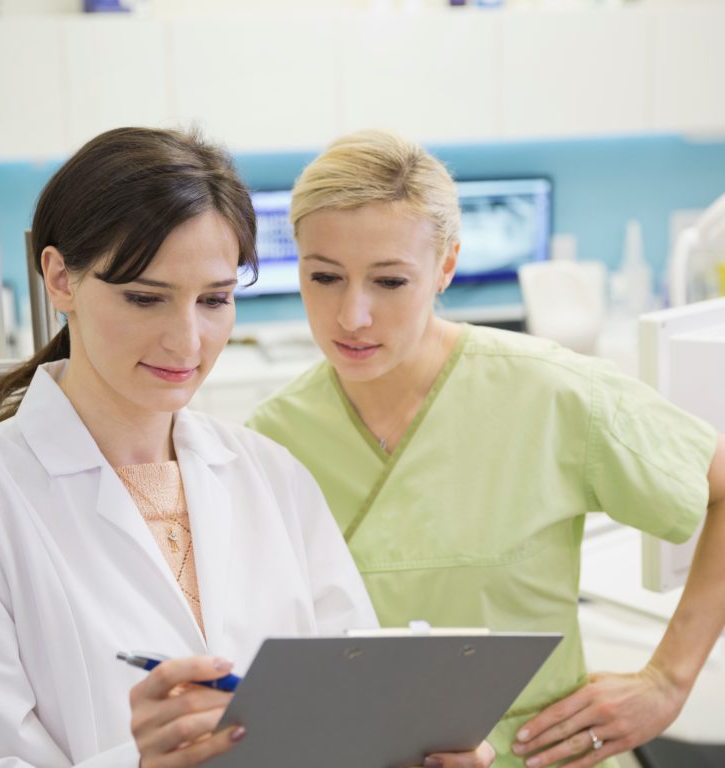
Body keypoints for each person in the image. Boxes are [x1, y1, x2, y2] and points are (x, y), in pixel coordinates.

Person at [0, 127, 495, 768]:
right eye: (145, 298)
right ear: (60, 278)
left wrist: (412, 751)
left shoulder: (271, 474)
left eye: (214, 299)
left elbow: (352, 714)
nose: (187, 343)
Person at [247, 129, 725, 768]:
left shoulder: (553, 393)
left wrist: (667, 682)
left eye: (389, 281)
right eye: (324, 277)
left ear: (445, 266)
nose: (352, 315)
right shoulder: (271, 440)